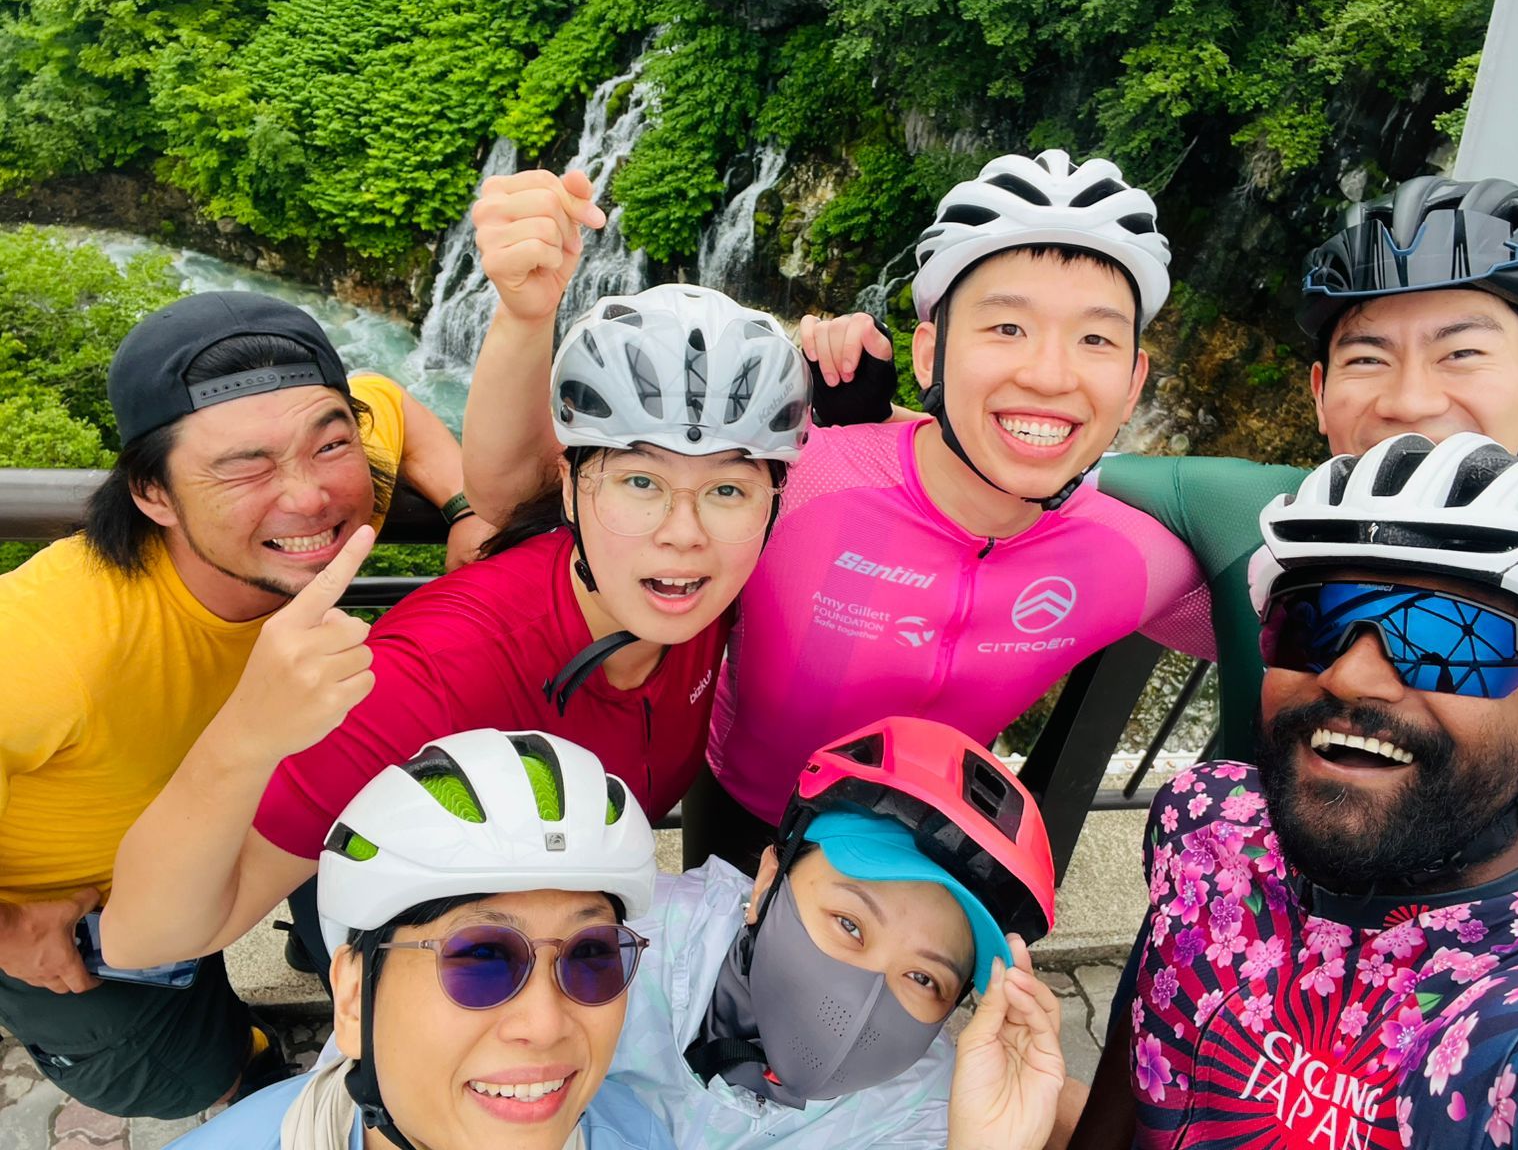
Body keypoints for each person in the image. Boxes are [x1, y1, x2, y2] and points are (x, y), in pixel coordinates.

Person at [808, 172, 1518, 888]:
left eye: (1462, 353)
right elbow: (1037, 454)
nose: (1410, 401)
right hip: (1208, 934)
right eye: (1368, 359)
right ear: (1319, 392)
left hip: (1454, 985)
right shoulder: (1243, 512)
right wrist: (860, 413)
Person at [459, 154, 1217, 873]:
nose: (1049, 375)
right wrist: (525, 317)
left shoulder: (1137, 553)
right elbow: (522, 497)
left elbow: (1285, 639)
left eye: (1094, 338)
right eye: (1006, 327)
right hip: (740, 821)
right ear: (928, 355)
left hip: (926, 863)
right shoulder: (809, 473)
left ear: (1134, 381)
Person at [100, 283, 810, 975]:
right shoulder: (433, 673)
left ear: (772, 503)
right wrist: (243, 736)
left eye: (728, 489)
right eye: (640, 483)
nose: (684, 535)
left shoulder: (718, 592)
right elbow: (143, 939)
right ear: (568, 486)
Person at [0, 290, 482, 1120]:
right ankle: (244, 1073)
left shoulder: (320, 471)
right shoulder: (47, 645)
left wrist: (466, 510)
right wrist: (8, 927)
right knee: (182, 1075)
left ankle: (313, 944)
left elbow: (395, 407)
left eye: (331, 444)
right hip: (84, 909)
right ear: (153, 494)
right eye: (243, 467)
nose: (310, 497)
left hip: (257, 821)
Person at [1069, 432, 1518, 1148]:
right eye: (1311, 627)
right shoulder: (1206, 819)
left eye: (1450, 644)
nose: (1347, 677)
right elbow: (1142, 1046)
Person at [167, 727, 675, 1150]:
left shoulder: (641, 1134)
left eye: (590, 954)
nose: (545, 1026)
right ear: (353, 997)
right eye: (482, 958)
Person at [609, 714, 1069, 1149]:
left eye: (924, 978)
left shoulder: (931, 1109)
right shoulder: (628, 946)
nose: (860, 1004)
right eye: (850, 924)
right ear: (768, 882)